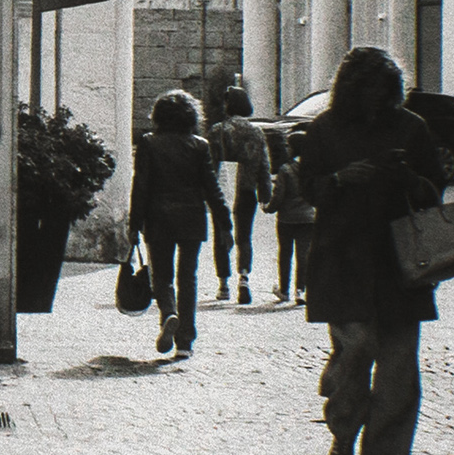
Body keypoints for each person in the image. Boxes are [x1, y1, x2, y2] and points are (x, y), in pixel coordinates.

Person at [298, 45, 449, 455]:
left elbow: (433, 192)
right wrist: (341, 179)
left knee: (399, 370)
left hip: (401, 261)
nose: (378, 99)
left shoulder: (411, 128)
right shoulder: (324, 129)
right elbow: (307, 189)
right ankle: (344, 428)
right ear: (352, 89)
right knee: (356, 350)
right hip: (342, 258)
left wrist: (408, 179)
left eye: (385, 91)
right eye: (370, 90)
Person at [125, 89, 230, 358]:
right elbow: (212, 188)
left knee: (162, 276)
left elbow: (141, 186)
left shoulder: (149, 143)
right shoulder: (200, 146)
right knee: (188, 278)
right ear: (191, 116)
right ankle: (185, 342)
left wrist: (134, 224)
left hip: (158, 218)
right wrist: (225, 222)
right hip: (192, 219)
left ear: (158, 115)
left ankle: (169, 313)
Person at [207, 86, 272, 304]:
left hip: (222, 188)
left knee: (221, 234)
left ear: (228, 105)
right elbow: (264, 165)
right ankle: (243, 278)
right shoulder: (256, 132)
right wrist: (265, 194)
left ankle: (223, 284)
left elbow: (209, 164)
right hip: (247, 188)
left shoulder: (218, 130)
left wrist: (206, 191)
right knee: (244, 236)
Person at [265, 128, 315, 310]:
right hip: (308, 218)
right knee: (304, 255)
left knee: (285, 254)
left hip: (287, 219)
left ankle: (284, 290)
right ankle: (300, 290)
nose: (286, 148)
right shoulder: (312, 169)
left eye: (288, 145)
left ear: (293, 148)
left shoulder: (285, 170)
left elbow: (279, 195)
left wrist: (269, 208)